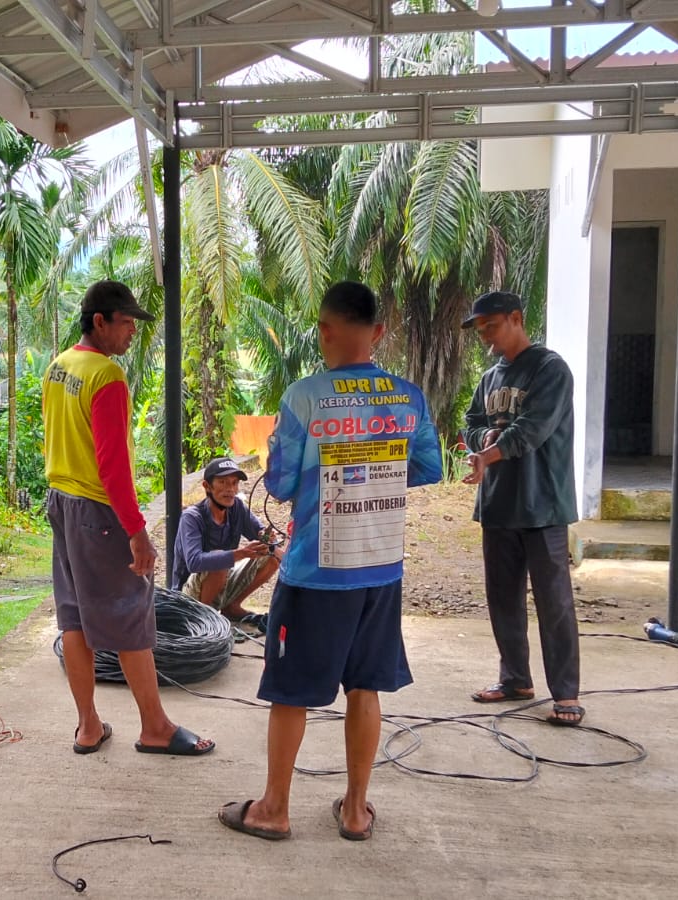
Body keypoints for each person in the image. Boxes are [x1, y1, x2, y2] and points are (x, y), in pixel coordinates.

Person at [219, 281, 441, 842]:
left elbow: (281, 482)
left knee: (290, 689)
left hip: (316, 571)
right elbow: (428, 467)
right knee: (365, 686)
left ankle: (273, 809)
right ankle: (356, 810)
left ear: (324, 330)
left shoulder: (305, 397)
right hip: (380, 566)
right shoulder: (408, 397)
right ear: (378, 332)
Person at [43, 280, 215, 757]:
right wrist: (137, 532)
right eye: (125, 323)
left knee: (75, 619)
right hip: (98, 512)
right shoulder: (107, 376)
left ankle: (88, 726)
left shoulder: (59, 367)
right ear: (99, 321)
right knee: (131, 614)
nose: (132, 333)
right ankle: (155, 727)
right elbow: (112, 466)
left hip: (61, 503)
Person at [460, 290, 584, 727]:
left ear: (516, 318)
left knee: (554, 603)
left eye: (491, 327)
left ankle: (565, 693)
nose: (486, 337)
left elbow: (533, 429)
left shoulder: (550, 369)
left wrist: (488, 454)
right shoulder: (489, 379)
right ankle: (515, 679)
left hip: (543, 505)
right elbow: (472, 422)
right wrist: (481, 441)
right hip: (498, 505)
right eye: (480, 331)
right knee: (503, 599)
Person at [170, 457, 280, 631]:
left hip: (222, 578)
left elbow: (259, 532)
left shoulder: (237, 507)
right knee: (220, 562)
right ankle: (203, 621)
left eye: (234, 483)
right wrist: (240, 553)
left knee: (273, 555)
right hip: (188, 596)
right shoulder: (192, 517)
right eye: (222, 482)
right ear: (207, 486)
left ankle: (232, 607)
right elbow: (194, 562)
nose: (230, 489)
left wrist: (267, 538)